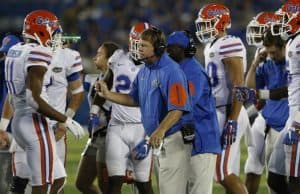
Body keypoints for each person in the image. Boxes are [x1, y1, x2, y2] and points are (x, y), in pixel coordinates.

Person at [96, 27, 191, 194]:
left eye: (144, 46)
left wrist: (159, 131)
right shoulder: (146, 70)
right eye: (139, 45)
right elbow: (134, 99)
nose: (139, 49)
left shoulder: (172, 70)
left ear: (159, 48)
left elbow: (178, 108)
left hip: (171, 137)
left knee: (168, 189)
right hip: (155, 137)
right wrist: (108, 94)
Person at [3, 10, 85, 194]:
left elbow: (15, 95)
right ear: (42, 31)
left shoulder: (16, 50)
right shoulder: (39, 52)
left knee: (58, 179)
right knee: (43, 185)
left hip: (21, 120)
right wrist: (66, 120)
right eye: (54, 32)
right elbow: (34, 99)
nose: (57, 37)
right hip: (34, 122)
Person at [195, 3, 250, 194]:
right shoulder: (212, 45)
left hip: (229, 110)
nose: (203, 28)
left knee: (221, 172)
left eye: (208, 23)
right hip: (217, 111)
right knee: (223, 169)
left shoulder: (230, 43)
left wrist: (232, 120)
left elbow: (240, 86)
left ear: (222, 22)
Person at [166, 30, 221, 194]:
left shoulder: (192, 71)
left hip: (201, 138)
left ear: (183, 49)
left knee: (198, 191)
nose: (168, 51)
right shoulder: (178, 68)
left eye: (172, 48)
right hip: (187, 138)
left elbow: (185, 104)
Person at [243, 12, 288, 194]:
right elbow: (250, 91)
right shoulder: (266, 58)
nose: (271, 55)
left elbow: (288, 90)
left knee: (284, 178)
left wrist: (261, 94)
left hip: (287, 124)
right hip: (269, 120)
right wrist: (254, 65)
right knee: (258, 170)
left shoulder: (294, 59)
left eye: (273, 52)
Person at [75, 42, 118, 194]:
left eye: (100, 54)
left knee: (107, 187)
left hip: (110, 136)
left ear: (110, 59)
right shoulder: (94, 78)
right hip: (95, 136)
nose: (95, 57)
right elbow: (73, 79)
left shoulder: (120, 82)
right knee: (82, 183)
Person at [268, 1, 300, 193]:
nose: (280, 23)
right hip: (293, 116)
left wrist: (297, 120)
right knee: (275, 177)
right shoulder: (292, 41)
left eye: (284, 19)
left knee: (295, 179)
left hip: (298, 120)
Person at [0, 34, 20, 194]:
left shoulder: (25, 69)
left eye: (10, 52)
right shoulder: (4, 69)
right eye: (5, 53)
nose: (7, 56)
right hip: (5, 129)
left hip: (16, 129)